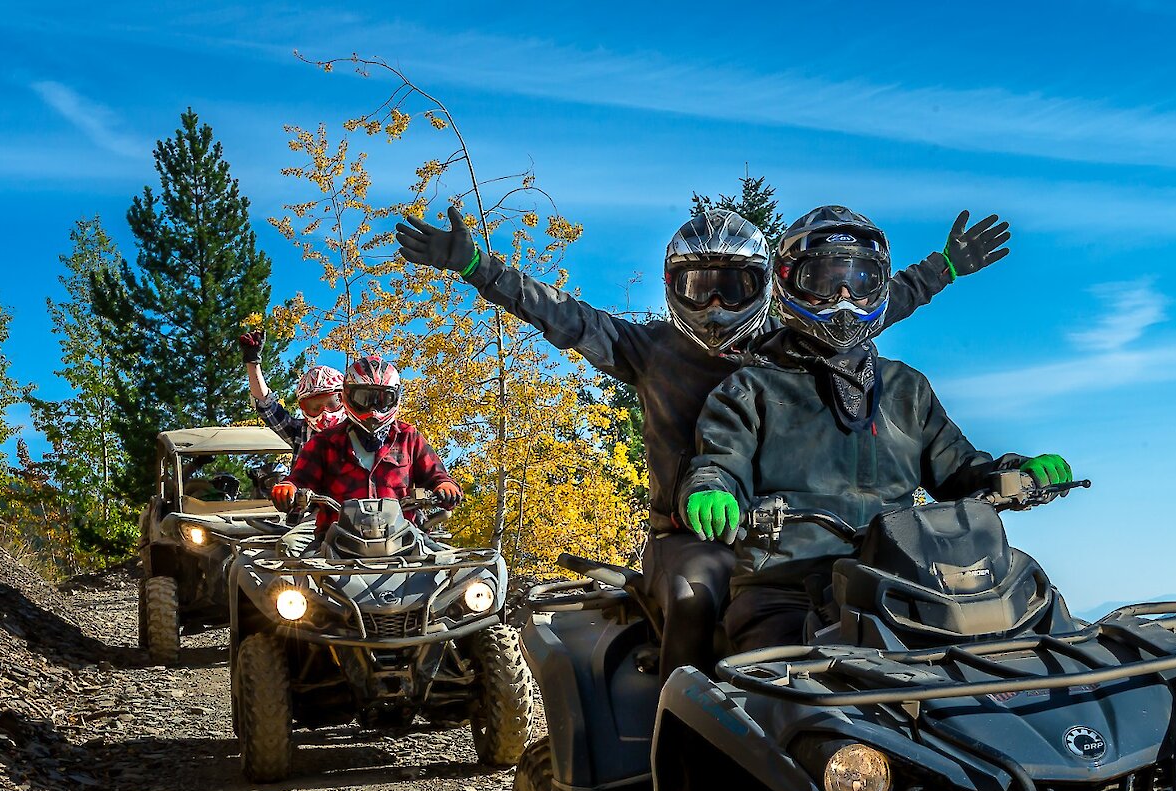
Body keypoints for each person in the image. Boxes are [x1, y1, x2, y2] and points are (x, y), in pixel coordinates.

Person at [394, 199, 1012, 677]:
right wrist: (479, 267)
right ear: (674, 288)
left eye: (735, 286)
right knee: (696, 596)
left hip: (789, 534)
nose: (716, 303)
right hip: (687, 534)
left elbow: (867, 302)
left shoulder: (790, 341)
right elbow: (557, 314)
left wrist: (946, 267)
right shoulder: (646, 348)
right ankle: (678, 721)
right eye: (699, 286)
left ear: (768, 286)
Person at [681, 206, 1072, 652]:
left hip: (906, 583)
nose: (844, 299)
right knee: (780, 689)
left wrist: (1017, 472)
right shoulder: (750, 387)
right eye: (824, 283)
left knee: (1028, 652)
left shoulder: (907, 388)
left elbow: (959, 469)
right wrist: (712, 488)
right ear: (789, 282)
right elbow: (719, 458)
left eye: (861, 282)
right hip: (787, 586)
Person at [271, 353, 461, 543]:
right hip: (336, 538)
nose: (373, 409)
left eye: (382, 398)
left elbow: (437, 475)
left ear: (395, 397)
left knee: (458, 566)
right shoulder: (324, 442)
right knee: (289, 553)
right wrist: (289, 487)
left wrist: (445, 487)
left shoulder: (408, 437)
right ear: (348, 396)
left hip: (402, 536)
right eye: (363, 398)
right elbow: (301, 478)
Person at [238, 327, 332, 453]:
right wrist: (252, 361)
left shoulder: (358, 435)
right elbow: (266, 405)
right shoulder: (301, 432)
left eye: (331, 404)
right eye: (314, 407)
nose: (324, 414)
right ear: (303, 408)